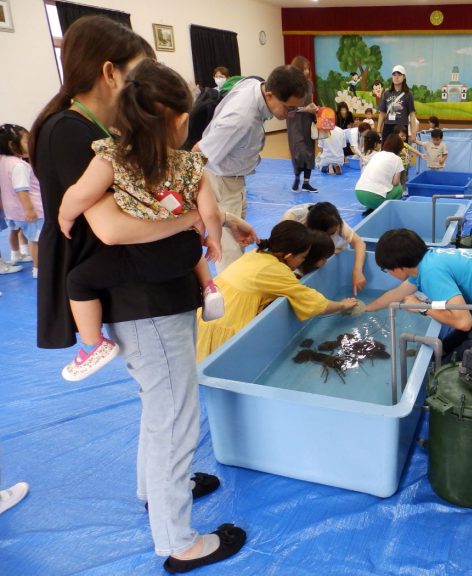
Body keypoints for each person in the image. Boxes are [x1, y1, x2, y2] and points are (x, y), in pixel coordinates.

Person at [30, 15, 252, 572]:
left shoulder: (124, 143)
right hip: (141, 299)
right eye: (136, 75)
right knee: (175, 414)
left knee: (163, 409)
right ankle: (178, 540)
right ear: (109, 73)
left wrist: (216, 216)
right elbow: (113, 227)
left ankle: (157, 491)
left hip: (154, 293)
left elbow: (159, 196)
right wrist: (193, 227)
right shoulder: (74, 134)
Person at [56, 59, 225, 382]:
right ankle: (208, 284)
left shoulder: (112, 159)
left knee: (78, 280)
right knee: (191, 238)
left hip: (143, 260)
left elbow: (79, 194)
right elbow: (210, 213)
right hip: (186, 253)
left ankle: (93, 343)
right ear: (182, 121)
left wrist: (65, 217)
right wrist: (213, 239)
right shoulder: (191, 165)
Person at [365, 229, 472, 373]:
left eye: (385, 269)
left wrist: (422, 308)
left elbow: (464, 322)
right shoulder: (428, 261)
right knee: (444, 348)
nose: (387, 272)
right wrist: (364, 309)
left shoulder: (432, 274)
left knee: (447, 369)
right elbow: (396, 294)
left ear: (397, 267)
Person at [195, 64, 308, 271]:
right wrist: (198, 198)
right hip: (220, 181)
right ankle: (233, 298)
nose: (291, 113)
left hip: (234, 179)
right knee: (229, 253)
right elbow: (198, 154)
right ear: (271, 95)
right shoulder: (241, 118)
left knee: (238, 239)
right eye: (289, 108)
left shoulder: (256, 85)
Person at [196, 221, 358, 360]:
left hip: (205, 314)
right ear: (288, 255)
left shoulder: (257, 254)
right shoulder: (277, 271)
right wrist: (343, 305)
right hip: (224, 327)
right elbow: (315, 303)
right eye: (302, 257)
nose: (303, 260)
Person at [281, 201, 366, 293]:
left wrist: (357, 271)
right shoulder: (292, 219)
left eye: (333, 233)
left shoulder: (333, 220)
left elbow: (359, 243)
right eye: (329, 234)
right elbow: (286, 254)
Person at [0, 124, 44, 278]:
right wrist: (30, 209)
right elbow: (21, 189)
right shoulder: (19, 165)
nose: (31, 144)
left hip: (12, 210)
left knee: (17, 231)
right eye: (27, 141)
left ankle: (16, 254)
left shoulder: (3, 160)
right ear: (12, 145)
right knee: (37, 239)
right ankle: (38, 269)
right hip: (29, 210)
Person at [286, 56, 319, 192]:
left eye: (308, 69)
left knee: (310, 150)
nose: (306, 71)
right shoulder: (290, 86)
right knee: (299, 150)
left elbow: (310, 101)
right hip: (295, 122)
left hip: (308, 121)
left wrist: (314, 108)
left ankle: (306, 182)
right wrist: (305, 109)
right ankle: (297, 176)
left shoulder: (310, 84)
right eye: (303, 69)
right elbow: (288, 107)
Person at [354, 133, 404, 211]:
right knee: (399, 188)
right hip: (375, 198)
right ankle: (387, 208)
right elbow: (395, 183)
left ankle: (371, 206)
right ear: (399, 148)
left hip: (359, 193)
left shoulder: (377, 155)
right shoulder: (397, 159)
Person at [377, 65, 419, 145]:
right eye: (394, 74)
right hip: (388, 126)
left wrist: (413, 133)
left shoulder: (408, 94)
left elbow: (412, 114)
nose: (396, 77)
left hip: (402, 128)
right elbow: (382, 113)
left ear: (404, 77)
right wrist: (378, 129)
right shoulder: (386, 93)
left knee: (401, 153)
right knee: (386, 152)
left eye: (399, 75)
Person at [395, 124, 426, 192]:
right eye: (402, 136)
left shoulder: (405, 144)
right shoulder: (396, 144)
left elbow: (412, 149)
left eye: (405, 136)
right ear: (396, 136)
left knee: (404, 179)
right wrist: (406, 154)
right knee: (398, 179)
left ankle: (403, 190)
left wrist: (420, 154)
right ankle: (398, 190)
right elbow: (400, 149)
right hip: (398, 166)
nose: (404, 137)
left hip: (405, 166)